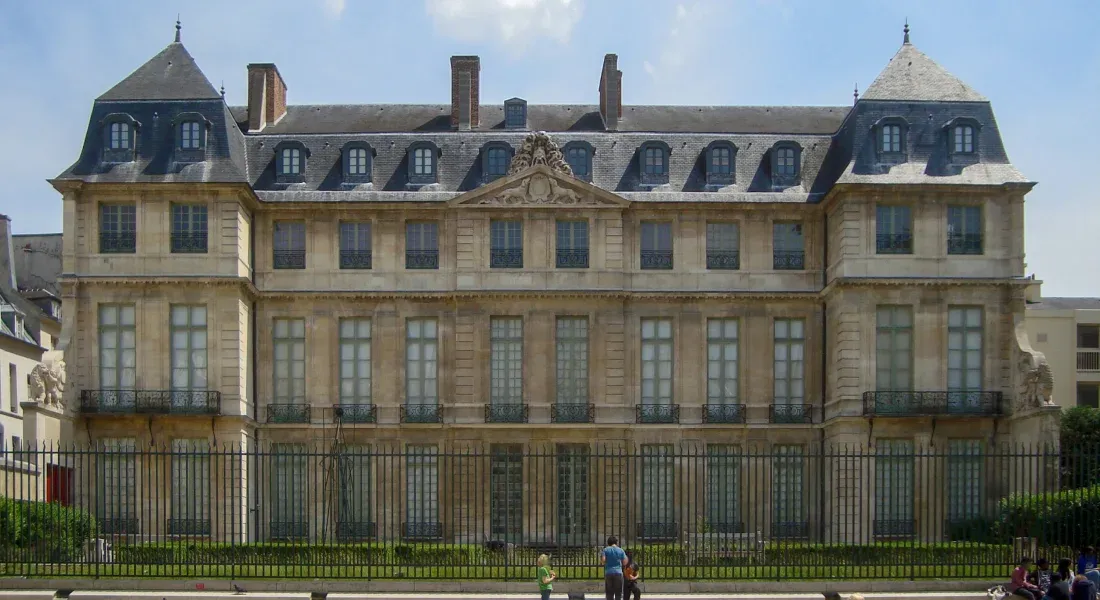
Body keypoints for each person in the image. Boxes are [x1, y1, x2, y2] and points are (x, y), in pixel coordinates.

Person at [600, 535, 628, 600]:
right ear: (616, 542)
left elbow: (603, 561)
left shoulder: (605, 550)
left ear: (608, 542)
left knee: (609, 592)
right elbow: (625, 562)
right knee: (618, 592)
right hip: (618, 572)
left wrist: (604, 561)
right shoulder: (620, 550)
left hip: (608, 572)